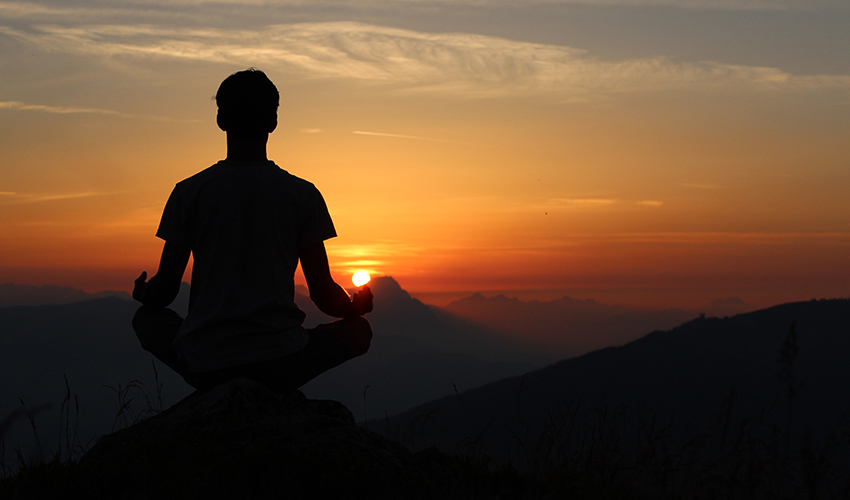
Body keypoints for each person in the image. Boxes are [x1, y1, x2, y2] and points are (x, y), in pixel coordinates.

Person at [131, 68, 373, 393]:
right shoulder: (301, 195)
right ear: (273, 121)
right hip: (281, 362)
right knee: (360, 332)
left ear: (221, 119)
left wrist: (145, 293)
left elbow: (165, 292)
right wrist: (353, 307)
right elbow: (323, 294)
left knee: (145, 320)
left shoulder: (189, 192)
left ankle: (217, 386)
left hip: (207, 361)